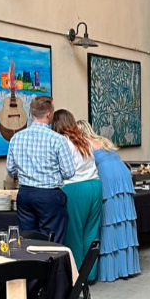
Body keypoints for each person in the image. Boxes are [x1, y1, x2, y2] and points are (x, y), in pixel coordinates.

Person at [6, 96, 75, 244]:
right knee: (53, 242)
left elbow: (10, 169)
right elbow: (69, 172)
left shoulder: (16, 138)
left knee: (27, 240)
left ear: (31, 113)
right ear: (49, 114)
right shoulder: (58, 140)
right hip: (49, 195)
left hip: (25, 194)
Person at [78, 120, 141, 282]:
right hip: (123, 175)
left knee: (109, 221)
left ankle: (112, 269)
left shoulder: (85, 143)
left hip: (107, 176)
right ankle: (127, 267)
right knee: (124, 220)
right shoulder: (103, 140)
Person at [52, 109, 102, 278]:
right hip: (95, 185)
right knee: (91, 232)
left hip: (75, 187)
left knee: (74, 233)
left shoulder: (63, 142)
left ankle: (76, 276)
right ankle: (89, 274)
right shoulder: (85, 140)